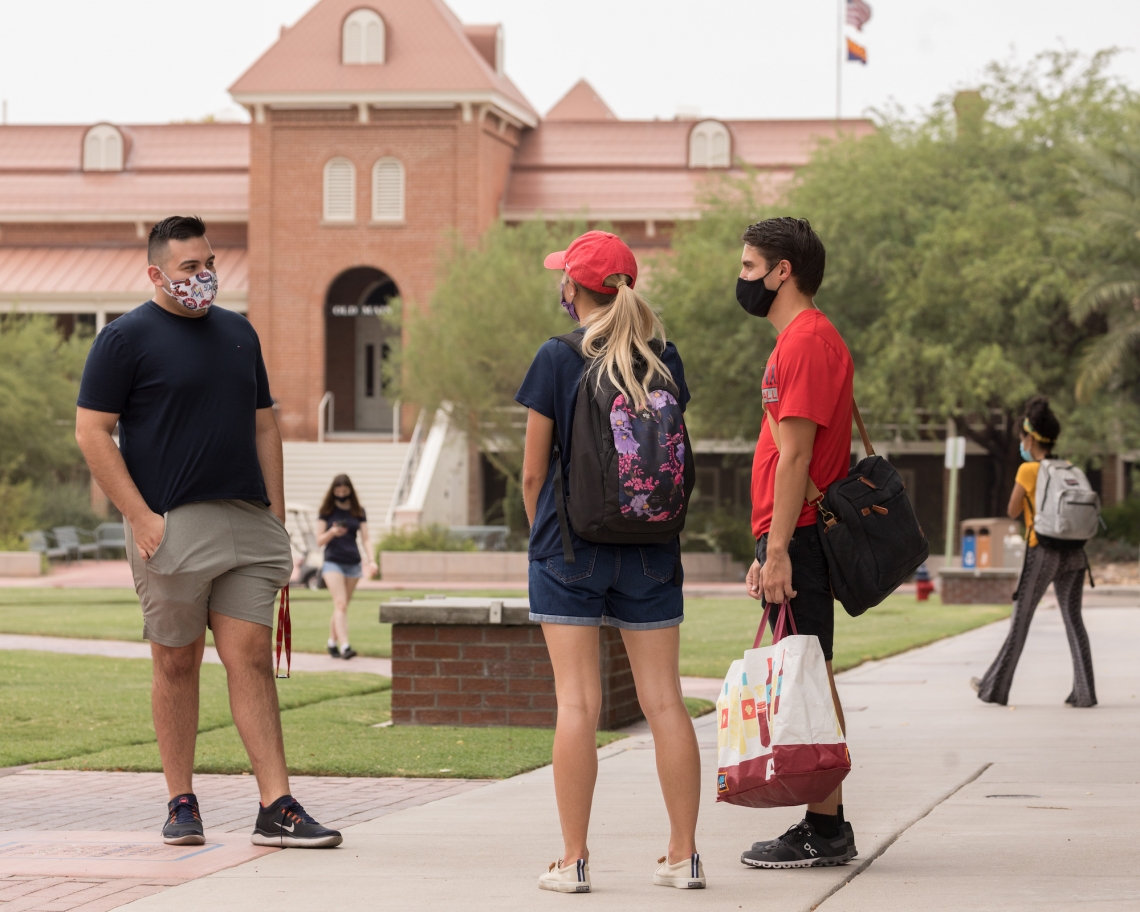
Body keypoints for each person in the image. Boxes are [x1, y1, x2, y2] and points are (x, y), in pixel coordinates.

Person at [75, 216, 342, 849]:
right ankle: (181, 801)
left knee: (249, 657)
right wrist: (141, 517)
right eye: (190, 266)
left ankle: (276, 806)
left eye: (209, 262)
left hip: (247, 522)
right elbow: (92, 431)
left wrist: (276, 517)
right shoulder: (124, 339)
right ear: (156, 273)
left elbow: (265, 427)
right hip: (171, 524)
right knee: (176, 661)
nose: (204, 276)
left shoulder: (240, 334)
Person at [517, 231, 704, 893]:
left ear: (573, 287)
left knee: (577, 705)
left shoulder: (557, 357)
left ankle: (573, 861)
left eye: (563, 279)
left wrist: (541, 534)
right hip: (652, 550)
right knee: (665, 703)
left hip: (570, 550)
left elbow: (534, 473)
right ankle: (683, 855)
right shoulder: (666, 357)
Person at [736, 218, 857, 868]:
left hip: (800, 537)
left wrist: (778, 547)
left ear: (784, 272)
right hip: (789, 535)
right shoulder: (800, 339)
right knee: (807, 672)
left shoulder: (807, 340)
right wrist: (766, 546)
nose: (744, 279)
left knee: (808, 672)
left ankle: (826, 826)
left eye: (751, 267)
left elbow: (798, 454)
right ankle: (825, 820)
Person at [972, 397, 1096, 707]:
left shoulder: (1029, 470)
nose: (1020, 445)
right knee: (1074, 620)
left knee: (1021, 620)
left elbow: (1012, 510)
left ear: (1030, 438)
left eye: (1021, 439)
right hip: (1076, 553)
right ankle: (1085, 693)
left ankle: (994, 689)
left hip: (1042, 552)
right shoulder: (1070, 468)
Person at [316, 474, 376, 659]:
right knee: (340, 603)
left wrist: (372, 560)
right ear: (333, 491)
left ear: (350, 490)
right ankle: (345, 647)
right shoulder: (327, 510)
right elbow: (319, 540)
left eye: (345, 491)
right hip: (333, 562)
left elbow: (366, 538)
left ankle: (331, 643)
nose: (341, 494)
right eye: (338, 491)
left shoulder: (358, 510)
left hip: (353, 563)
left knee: (341, 607)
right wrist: (332, 532)